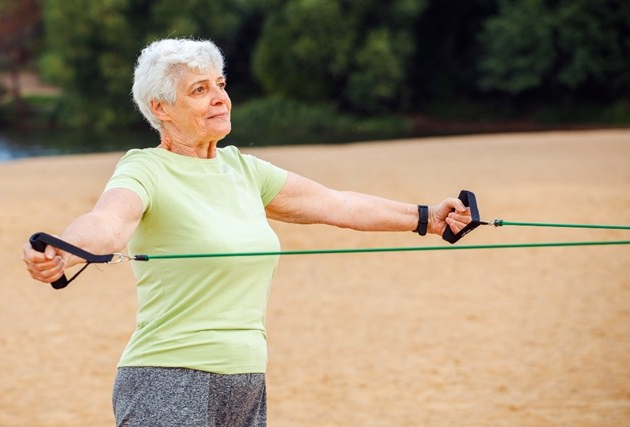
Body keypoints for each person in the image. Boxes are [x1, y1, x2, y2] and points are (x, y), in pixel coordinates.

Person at [23, 38, 472, 427]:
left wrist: (428, 219)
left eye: (220, 85)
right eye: (200, 90)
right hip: (169, 377)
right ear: (161, 108)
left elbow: (338, 204)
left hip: (246, 380)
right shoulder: (145, 168)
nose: (219, 97)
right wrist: (66, 251)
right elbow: (108, 221)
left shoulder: (243, 169)